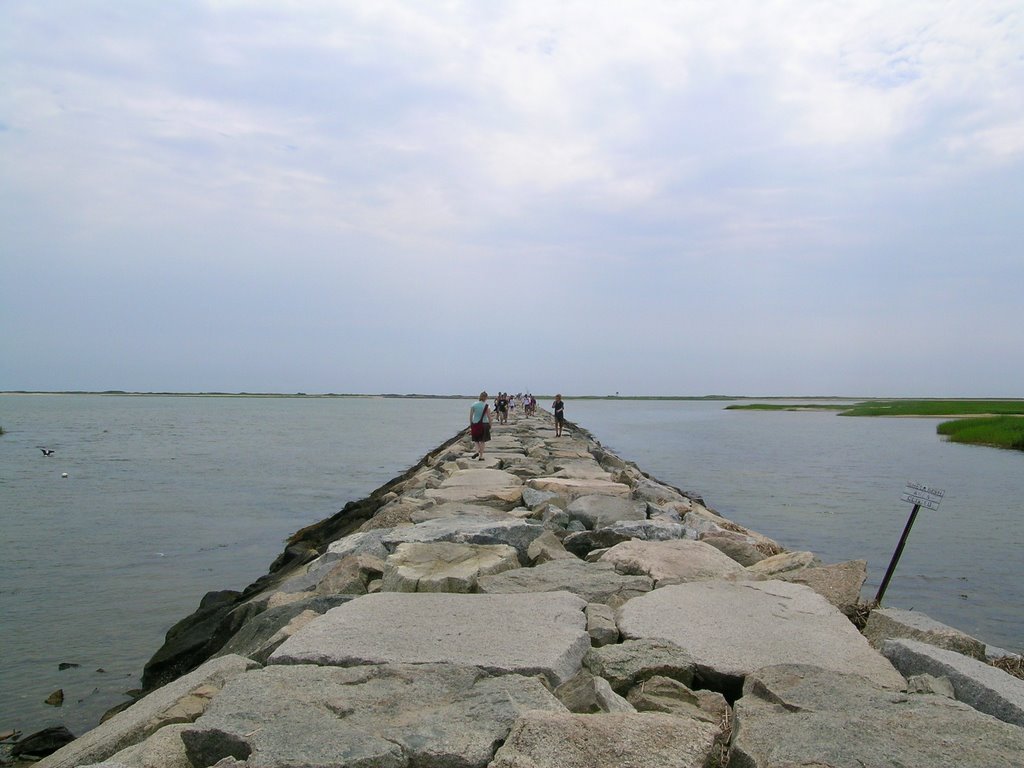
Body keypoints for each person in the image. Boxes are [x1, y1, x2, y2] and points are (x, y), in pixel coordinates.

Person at [469, 391, 491, 460]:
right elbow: (489, 417)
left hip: (475, 424)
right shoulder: (487, 406)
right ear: (486, 398)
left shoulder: (473, 405)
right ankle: (481, 456)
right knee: (482, 441)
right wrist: (490, 425)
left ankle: (476, 451)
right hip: (484, 424)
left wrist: (471, 425)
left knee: (476, 440)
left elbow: (471, 416)